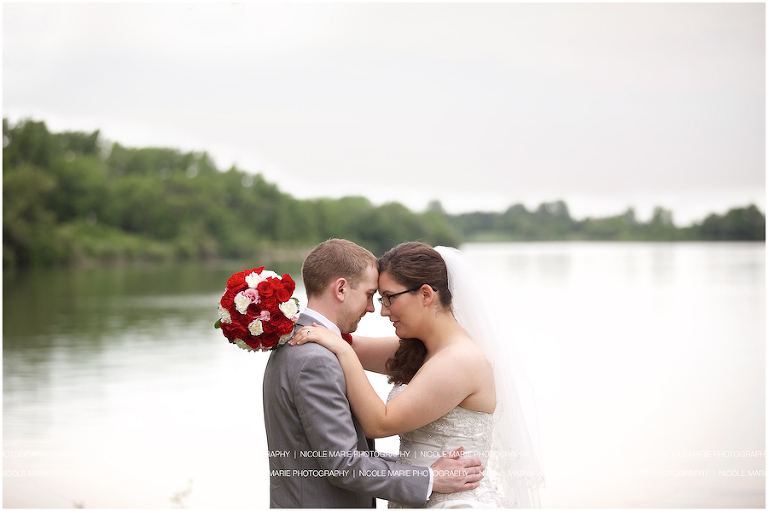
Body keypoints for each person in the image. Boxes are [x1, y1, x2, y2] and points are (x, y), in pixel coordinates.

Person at [294, 242, 545, 508]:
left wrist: (343, 352)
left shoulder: (460, 361)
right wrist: (270, 321)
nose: (383, 310)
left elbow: (380, 423)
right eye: (380, 298)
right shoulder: (419, 351)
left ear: (425, 294)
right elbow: (334, 336)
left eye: (389, 297)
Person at [262, 238, 486, 508]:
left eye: (386, 298)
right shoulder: (315, 356)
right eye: (373, 296)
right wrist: (428, 477)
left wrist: (427, 475)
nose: (376, 310)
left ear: (427, 295)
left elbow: (347, 454)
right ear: (341, 288)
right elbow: (345, 464)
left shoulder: (309, 343)